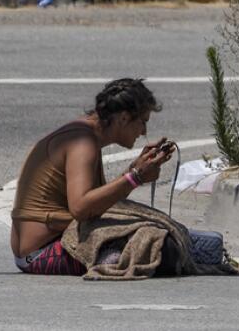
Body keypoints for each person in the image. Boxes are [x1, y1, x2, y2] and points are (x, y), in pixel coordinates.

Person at [10, 78, 175, 275]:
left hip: (42, 248)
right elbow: (81, 208)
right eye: (143, 122)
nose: (144, 131)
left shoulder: (86, 135)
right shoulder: (82, 142)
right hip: (41, 254)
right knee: (162, 248)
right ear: (123, 118)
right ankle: (112, 258)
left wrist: (135, 170)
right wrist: (135, 177)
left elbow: (98, 204)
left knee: (158, 236)